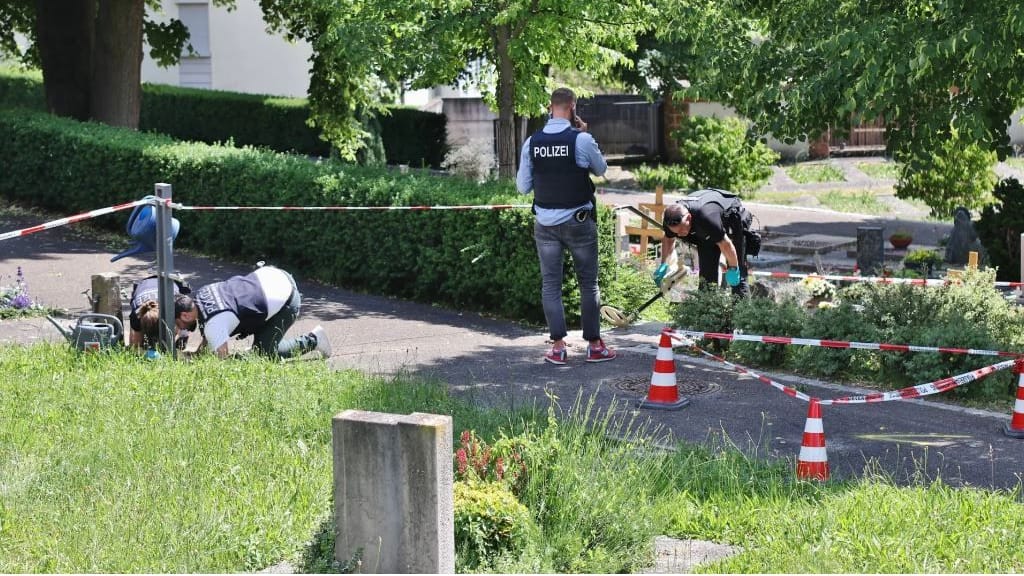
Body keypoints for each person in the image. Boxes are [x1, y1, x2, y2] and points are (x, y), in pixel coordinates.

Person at [516, 87, 615, 365]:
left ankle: (558, 347)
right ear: (572, 106)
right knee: (588, 283)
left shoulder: (531, 143)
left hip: (545, 225)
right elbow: (601, 169)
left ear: (550, 107)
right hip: (578, 223)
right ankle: (594, 346)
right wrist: (586, 134)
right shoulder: (581, 139)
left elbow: (523, 187)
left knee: (550, 285)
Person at [174, 264, 331, 360]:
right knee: (258, 346)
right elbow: (212, 334)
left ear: (185, 315)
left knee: (265, 354)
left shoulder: (213, 325)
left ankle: (314, 340)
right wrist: (198, 353)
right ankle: (261, 344)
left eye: (178, 325)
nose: (181, 329)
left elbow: (221, 360)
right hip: (276, 276)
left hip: (287, 301)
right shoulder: (202, 294)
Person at [655, 188, 759, 296]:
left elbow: (726, 245)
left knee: (738, 277)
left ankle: (741, 309)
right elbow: (668, 239)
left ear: (689, 218)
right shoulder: (670, 219)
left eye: (682, 230)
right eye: (676, 232)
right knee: (706, 280)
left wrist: (733, 268)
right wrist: (664, 264)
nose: (680, 234)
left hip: (730, 222)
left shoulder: (706, 217)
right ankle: (707, 308)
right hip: (706, 231)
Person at [128, 274, 194, 349]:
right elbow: (135, 346)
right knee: (140, 344)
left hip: (170, 282)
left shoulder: (175, 307)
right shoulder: (136, 316)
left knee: (179, 340)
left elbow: (188, 315)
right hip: (144, 285)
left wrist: (180, 337)